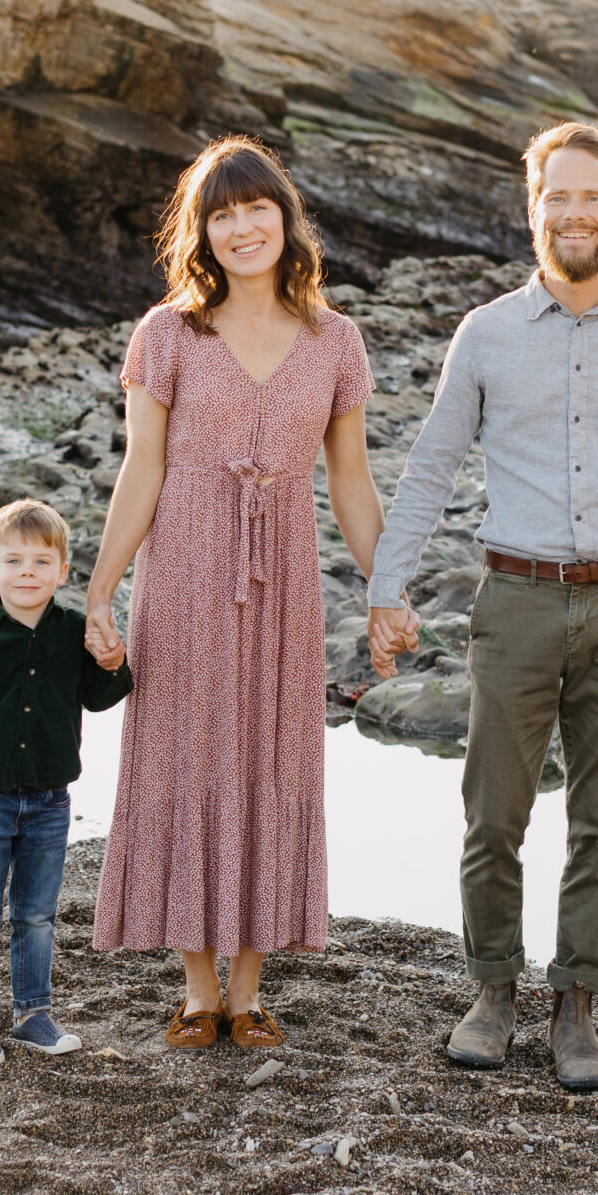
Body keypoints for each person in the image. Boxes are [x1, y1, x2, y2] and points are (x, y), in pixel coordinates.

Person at [366, 120, 598, 1092]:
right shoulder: (485, 333)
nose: (573, 213)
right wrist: (384, 586)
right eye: (555, 197)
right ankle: (493, 993)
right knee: (492, 815)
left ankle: (577, 1007)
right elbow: (432, 465)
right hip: (517, 600)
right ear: (533, 211)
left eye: (590, 197)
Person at [84, 135, 386, 1051]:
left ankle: (250, 991)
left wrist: (389, 589)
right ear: (202, 233)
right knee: (183, 758)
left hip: (285, 581)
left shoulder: (337, 340)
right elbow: (141, 471)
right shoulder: (166, 334)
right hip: (179, 573)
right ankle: (197, 987)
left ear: (286, 218)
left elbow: (353, 484)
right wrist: (99, 593)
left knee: (271, 760)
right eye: (222, 214)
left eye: (257, 208)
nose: (243, 226)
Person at [0, 498, 133, 1073]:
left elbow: (100, 697)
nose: (27, 573)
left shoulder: (72, 632)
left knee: (37, 914)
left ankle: (34, 1015)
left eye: (42, 563)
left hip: (49, 802)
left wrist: (112, 659)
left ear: (63, 573)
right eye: (13, 561)